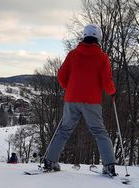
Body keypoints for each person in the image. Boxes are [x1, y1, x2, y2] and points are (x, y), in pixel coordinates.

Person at [43, 24, 117, 175]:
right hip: (92, 101)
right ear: (98, 38)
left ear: (84, 36)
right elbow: (107, 82)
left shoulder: (72, 54)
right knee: (99, 131)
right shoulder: (102, 57)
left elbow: (61, 76)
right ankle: (109, 165)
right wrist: (112, 92)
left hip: (72, 99)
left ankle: (50, 161)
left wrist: (70, 89)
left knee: (64, 130)